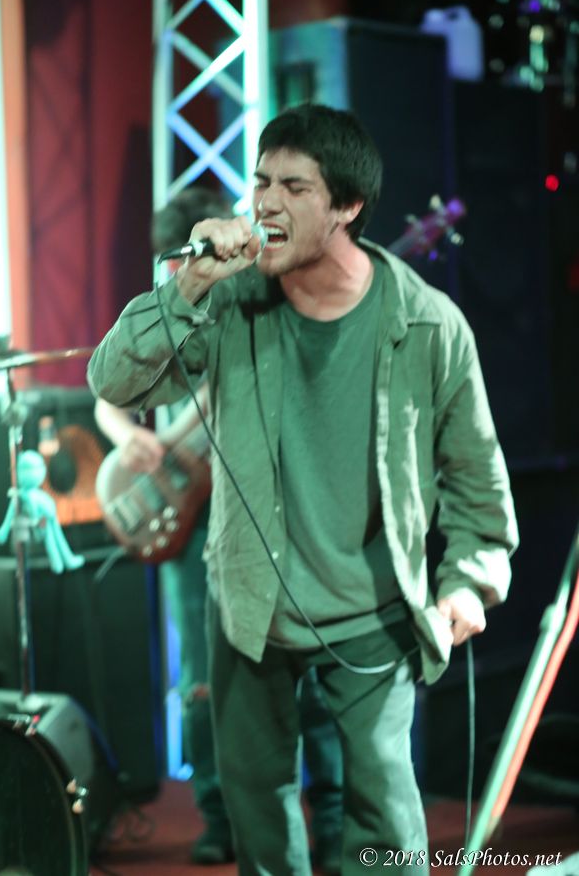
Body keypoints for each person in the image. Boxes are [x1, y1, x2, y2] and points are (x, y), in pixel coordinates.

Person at [88, 104, 519, 874]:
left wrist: (467, 583)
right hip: (251, 608)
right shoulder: (230, 300)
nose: (266, 203)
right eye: (260, 182)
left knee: (385, 828)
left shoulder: (429, 324)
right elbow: (113, 379)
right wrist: (191, 282)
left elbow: (478, 486)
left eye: (294, 186)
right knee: (258, 819)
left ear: (347, 206)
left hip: (374, 613)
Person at [94, 185, 343, 872]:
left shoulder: (258, 292)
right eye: (171, 261)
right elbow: (109, 392)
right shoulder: (174, 296)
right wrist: (131, 439)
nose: (178, 270)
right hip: (186, 508)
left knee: (308, 661)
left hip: (260, 500)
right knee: (202, 675)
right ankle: (216, 814)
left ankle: (331, 820)